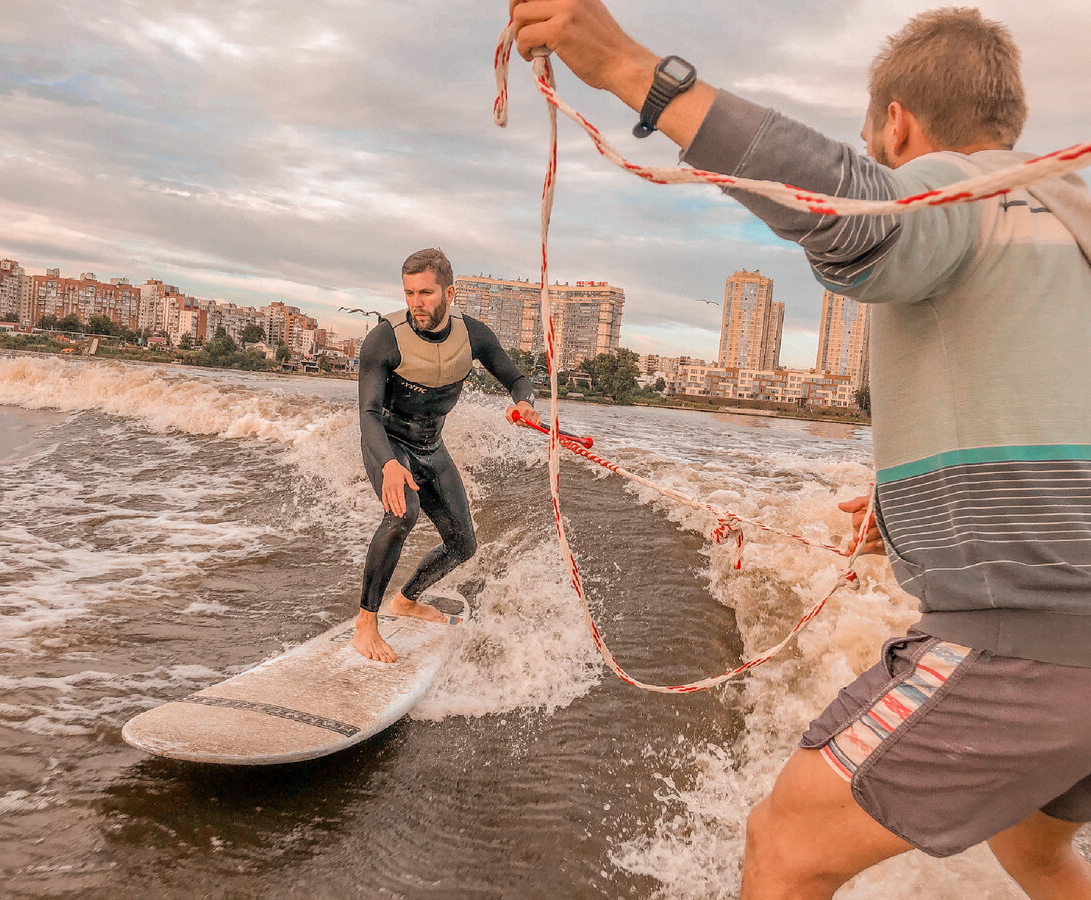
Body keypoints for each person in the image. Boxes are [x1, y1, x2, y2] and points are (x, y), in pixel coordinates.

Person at [511, 2, 1091, 897]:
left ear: (896, 124)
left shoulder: (957, 189)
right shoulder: (1071, 218)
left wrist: (633, 69)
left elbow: (847, 211)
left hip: (1032, 642)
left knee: (782, 846)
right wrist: (915, 515)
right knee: (1035, 849)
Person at [353, 248, 540, 663]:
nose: (415, 303)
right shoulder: (385, 338)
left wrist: (524, 402)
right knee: (403, 514)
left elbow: (516, 378)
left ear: (449, 292)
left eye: (426, 293)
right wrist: (388, 465)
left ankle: (406, 599)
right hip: (387, 444)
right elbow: (367, 412)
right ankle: (366, 622)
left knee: (462, 545)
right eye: (408, 293)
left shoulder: (473, 335)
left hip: (431, 447)